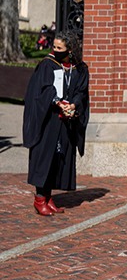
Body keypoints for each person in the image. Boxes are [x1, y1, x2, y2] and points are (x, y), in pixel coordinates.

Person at [22, 30, 89, 216]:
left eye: (60, 48)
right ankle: (39, 199)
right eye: (54, 47)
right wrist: (57, 103)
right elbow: (41, 91)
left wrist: (73, 105)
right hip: (48, 119)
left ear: (71, 49)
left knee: (57, 159)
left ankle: (48, 197)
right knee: (45, 157)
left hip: (66, 120)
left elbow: (81, 91)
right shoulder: (47, 65)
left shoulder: (79, 68)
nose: (55, 51)